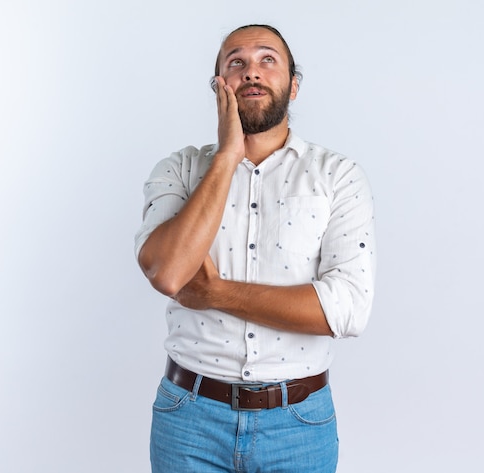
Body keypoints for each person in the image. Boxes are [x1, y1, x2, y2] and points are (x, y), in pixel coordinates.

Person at [134, 24, 376, 473]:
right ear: (219, 87)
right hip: (189, 418)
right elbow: (168, 273)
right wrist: (228, 155)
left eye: (268, 60)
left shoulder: (338, 176)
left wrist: (215, 292)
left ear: (293, 85)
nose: (252, 72)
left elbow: (345, 311)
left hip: (299, 423)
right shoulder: (181, 169)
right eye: (236, 63)